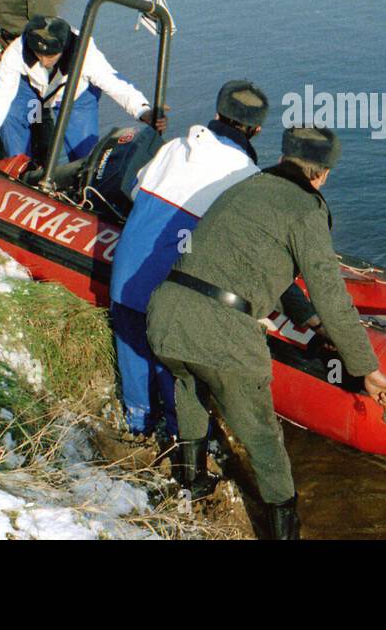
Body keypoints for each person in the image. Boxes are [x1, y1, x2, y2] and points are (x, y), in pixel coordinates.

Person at [146, 126, 386, 539]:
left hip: (166, 315)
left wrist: (309, 318)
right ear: (323, 174)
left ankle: (189, 483)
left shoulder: (247, 187)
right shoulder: (306, 209)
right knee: (263, 438)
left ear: (284, 159)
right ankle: (285, 528)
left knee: (190, 384)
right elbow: (332, 296)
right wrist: (367, 368)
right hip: (222, 332)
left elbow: (263, 269)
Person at [109, 80, 269, 439]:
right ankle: (185, 441)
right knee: (179, 370)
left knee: (134, 356)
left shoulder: (171, 148)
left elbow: (136, 193)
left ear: (216, 114)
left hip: (124, 283)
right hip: (172, 301)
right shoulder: (248, 179)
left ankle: (137, 428)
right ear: (257, 131)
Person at [0, 15, 165, 165]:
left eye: (50, 55)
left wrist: (143, 110)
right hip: (32, 90)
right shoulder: (17, 51)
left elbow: (113, 82)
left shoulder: (85, 52)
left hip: (76, 96)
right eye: (38, 54)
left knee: (84, 154)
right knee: (11, 116)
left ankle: (84, 194)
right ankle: (17, 171)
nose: (43, 61)